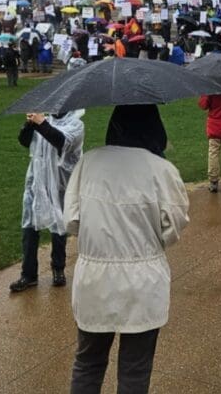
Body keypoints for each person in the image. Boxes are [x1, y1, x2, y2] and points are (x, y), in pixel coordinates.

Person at [63, 105, 189, 394]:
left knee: (88, 363)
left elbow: (71, 220)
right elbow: (174, 225)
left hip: (94, 278)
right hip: (143, 281)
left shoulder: (88, 162)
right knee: (135, 370)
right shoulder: (162, 170)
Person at [10, 111, 85, 293]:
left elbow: (61, 141)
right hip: (37, 181)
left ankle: (58, 269)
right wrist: (29, 125)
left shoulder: (76, 125)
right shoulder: (44, 120)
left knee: (58, 224)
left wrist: (42, 124)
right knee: (29, 224)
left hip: (60, 183)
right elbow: (25, 141)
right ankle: (28, 274)